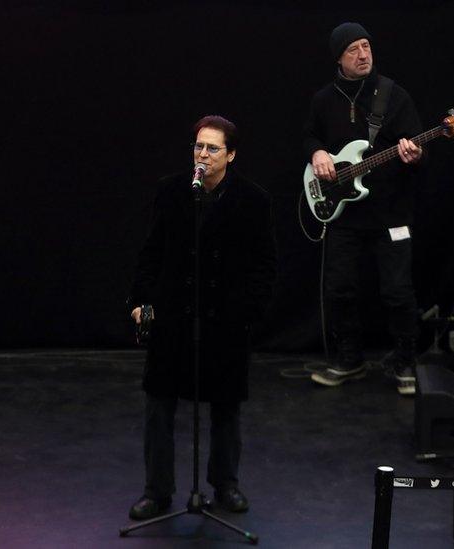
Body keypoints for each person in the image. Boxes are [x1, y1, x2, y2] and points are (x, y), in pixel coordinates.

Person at [127, 115, 276, 520]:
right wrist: (142, 300)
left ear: (230, 154)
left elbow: (265, 265)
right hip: (173, 317)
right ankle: (157, 490)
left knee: (226, 407)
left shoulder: (253, 199)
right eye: (198, 147)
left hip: (225, 320)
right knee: (159, 406)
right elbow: (151, 251)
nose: (203, 155)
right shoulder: (172, 191)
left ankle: (225, 484)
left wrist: (250, 312)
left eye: (212, 148)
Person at [303, 22, 424, 394]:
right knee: (339, 288)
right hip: (343, 213)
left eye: (366, 46)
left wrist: (414, 152)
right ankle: (347, 360)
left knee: (397, 291)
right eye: (353, 48)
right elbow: (309, 134)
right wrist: (317, 151)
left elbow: (417, 145)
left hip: (391, 213)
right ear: (339, 57)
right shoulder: (324, 99)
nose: (363, 54)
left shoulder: (393, 95)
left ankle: (406, 361)